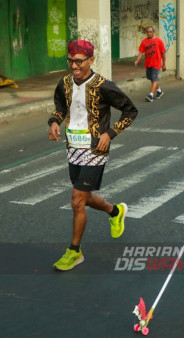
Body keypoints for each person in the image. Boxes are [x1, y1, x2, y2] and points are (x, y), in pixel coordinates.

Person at [48, 40, 138, 271]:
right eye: (70, 61)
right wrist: (54, 122)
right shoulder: (65, 83)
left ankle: (75, 251)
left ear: (91, 60)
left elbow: (130, 110)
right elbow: (61, 106)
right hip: (73, 148)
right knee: (84, 198)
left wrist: (110, 133)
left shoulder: (103, 85)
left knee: (77, 200)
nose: (74, 66)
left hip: (96, 149)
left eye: (79, 61)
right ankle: (115, 211)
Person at [134, 26, 167, 102]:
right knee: (150, 78)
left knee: (154, 78)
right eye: (147, 32)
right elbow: (141, 52)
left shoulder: (159, 41)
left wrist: (164, 64)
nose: (149, 33)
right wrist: (137, 60)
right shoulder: (144, 42)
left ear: (153, 32)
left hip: (156, 64)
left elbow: (163, 54)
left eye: (150, 32)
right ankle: (159, 91)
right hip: (148, 64)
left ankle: (151, 95)